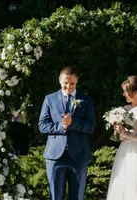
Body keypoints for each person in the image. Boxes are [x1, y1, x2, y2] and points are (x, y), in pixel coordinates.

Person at [38, 66, 95, 200]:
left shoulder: (86, 100)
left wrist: (72, 123)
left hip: (79, 156)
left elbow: (91, 127)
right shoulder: (49, 99)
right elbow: (42, 126)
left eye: (72, 83)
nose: (68, 86)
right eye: (65, 83)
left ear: (77, 81)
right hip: (55, 157)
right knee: (56, 197)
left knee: (77, 197)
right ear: (60, 80)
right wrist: (61, 126)